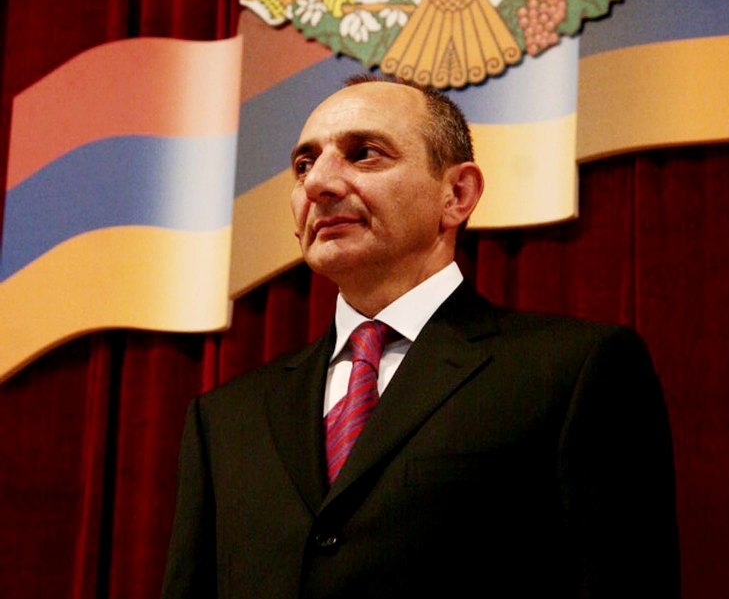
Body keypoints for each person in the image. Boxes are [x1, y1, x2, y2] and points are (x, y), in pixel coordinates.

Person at [161, 74, 680, 598]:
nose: (318, 184)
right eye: (303, 165)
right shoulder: (224, 420)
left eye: (364, 154)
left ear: (456, 194)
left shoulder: (572, 371)